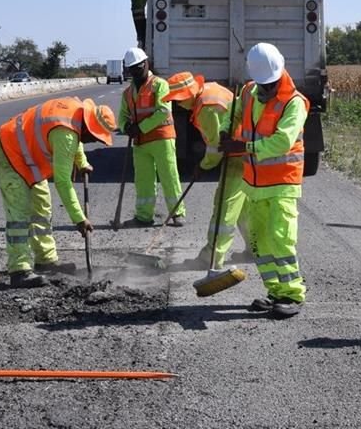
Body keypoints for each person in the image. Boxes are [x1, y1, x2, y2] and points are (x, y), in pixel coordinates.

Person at [0, 96, 116, 288]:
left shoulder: (77, 113)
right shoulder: (65, 135)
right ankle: (19, 270)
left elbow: (77, 136)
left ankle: (45, 260)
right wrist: (80, 219)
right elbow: (63, 182)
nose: (92, 141)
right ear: (89, 127)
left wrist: (81, 162)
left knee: (41, 206)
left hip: (28, 158)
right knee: (19, 212)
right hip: (7, 150)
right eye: (94, 137)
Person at [220, 43, 309, 319]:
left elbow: (282, 141)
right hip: (254, 184)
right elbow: (232, 114)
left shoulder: (295, 102)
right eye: (263, 85)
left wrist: (244, 147)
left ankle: (292, 294)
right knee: (259, 241)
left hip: (283, 183)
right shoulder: (248, 91)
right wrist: (225, 130)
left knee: (280, 239)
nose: (267, 90)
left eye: (271, 85)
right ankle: (275, 292)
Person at [162, 71, 254, 269]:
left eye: (178, 100)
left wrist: (202, 166)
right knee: (243, 209)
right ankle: (255, 249)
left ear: (187, 95)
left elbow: (216, 146)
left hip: (238, 157)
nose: (177, 104)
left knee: (224, 206)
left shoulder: (206, 108)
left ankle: (211, 257)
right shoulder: (209, 91)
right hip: (245, 153)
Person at [119, 47, 186, 227]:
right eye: (132, 69)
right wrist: (126, 127)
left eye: (139, 67)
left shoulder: (159, 85)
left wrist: (140, 128)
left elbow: (163, 111)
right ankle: (143, 216)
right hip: (140, 143)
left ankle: (177, 213)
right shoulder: (127, 93)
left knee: (169, 176)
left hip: (161, 138)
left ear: (147, 63)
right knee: (143, 180)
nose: (136, 72)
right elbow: (122, 116)